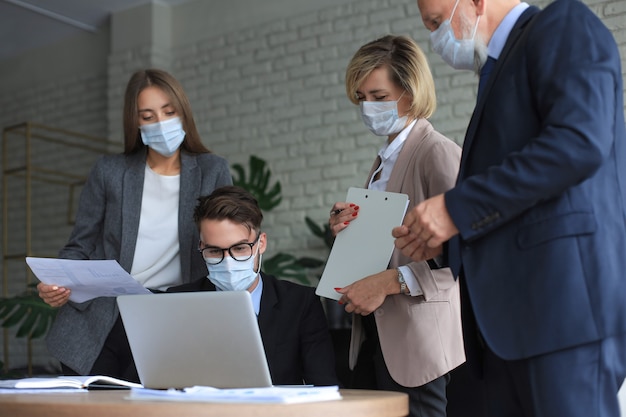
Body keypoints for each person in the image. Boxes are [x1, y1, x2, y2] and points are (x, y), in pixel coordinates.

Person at [392, 0, 626, 415]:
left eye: (435, 21)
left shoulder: (563, 25)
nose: (434, 37)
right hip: (502, 333)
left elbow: (578, 143)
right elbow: (521, 204)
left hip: (561, 315)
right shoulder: (496, 72)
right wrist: (447, 238)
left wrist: (454, 211)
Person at [37, 69, 233, 381]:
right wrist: (58, 282)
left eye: (169, 112)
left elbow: (227, 242)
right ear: (136, 122)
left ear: (184, 112)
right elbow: (80, 244)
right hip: (103, 320)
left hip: (174, 318)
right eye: (148, 115)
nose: (161, 123)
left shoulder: (212, 170)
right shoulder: (109, 171)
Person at [328, 35, 465, 417]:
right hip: (376, 336)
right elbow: (391, 245)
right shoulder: (383, 162)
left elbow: (465, 251)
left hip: (418, 346)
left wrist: (388, 283)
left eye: (379, 95)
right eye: (361, 98)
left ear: (410, 90)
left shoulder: (435, 152)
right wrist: (349, 226)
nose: (368, 107)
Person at [167, 185, 339, 386]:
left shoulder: (300, 303)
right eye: (214, 251)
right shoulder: (177, 302)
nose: (228, 263)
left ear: (261, 243)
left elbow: (324, 384)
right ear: (201, 247)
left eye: (240, 248)